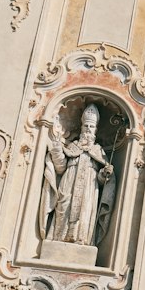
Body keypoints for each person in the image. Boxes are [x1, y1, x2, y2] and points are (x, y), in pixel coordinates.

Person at [38, 102, 116, 246]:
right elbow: (60, 168)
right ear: (81, 127)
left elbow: (101, 180)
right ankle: (57, 240)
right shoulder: (72, 146)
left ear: (96, 129)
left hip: (88, 189)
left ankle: (82, 242)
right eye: (86, 126)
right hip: (68, 185)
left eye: (91, 127)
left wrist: (105, 174)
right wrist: (56, 149)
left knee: (84, 214)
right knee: (63, 209)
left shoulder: (98, 151)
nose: (88, 129)